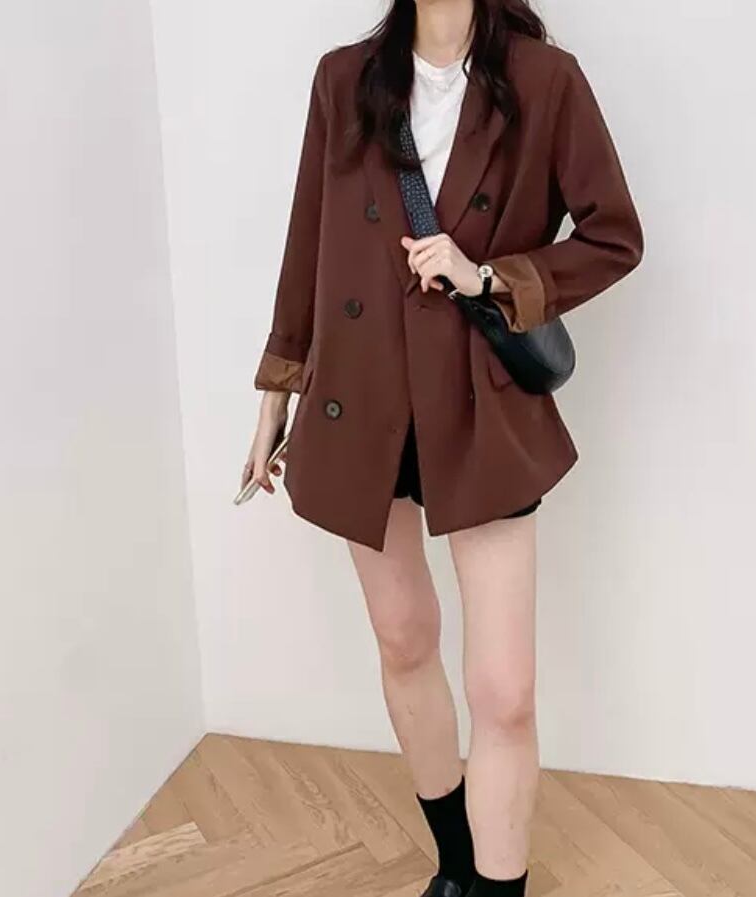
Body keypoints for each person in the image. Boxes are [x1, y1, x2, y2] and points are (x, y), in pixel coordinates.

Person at [241, 1, 643, 894]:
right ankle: (457, 868)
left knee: (504, 690)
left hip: (478, 405)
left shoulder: (544, 81)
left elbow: (614, 235)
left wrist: (489, 275)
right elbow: (309, 240)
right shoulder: (342, 80)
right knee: (404, 642)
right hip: (361, 397)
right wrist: (277, 389)